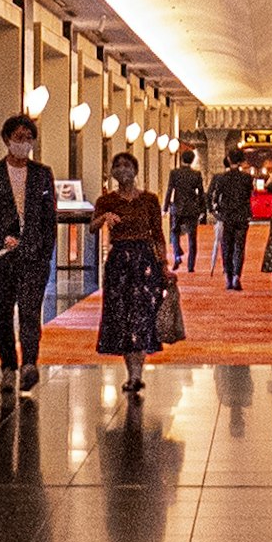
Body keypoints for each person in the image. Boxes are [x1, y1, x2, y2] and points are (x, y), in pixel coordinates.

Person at [0, 114, 61, 396]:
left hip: (34, 256)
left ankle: (29, 365)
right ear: (7, 140)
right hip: (2, 256)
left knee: (30, 311)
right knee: (2, 311)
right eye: (18, 138)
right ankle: (8, 368)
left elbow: (50, 216)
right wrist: (1, 236)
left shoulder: (42, 173)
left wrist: (45, 251)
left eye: (28, 138)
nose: (23, 143)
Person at [90, 149, 170, 397]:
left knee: (142, 314)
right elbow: (92, 227)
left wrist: (164, 264)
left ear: (135, 171)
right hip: (119, 262)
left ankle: (137, 373)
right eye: (118, 166)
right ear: (112, 172)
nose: (123, 170)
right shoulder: (106, 201)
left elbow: (157, 233)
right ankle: (130, 372)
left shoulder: (149, 200)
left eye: (127, 166)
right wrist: (104, 218)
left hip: (144, 260)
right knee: (121, 315)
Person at [211, 151, 257, 290]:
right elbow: (251, 194)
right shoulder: (247, 178)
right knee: (240, 246)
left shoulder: (222, 178)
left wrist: (217, 211)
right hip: (242, 216)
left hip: (227, 216)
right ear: (242, 161)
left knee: (227, 247)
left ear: (228, 159)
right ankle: (237, 275)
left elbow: (216, 196)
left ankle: (228, 277)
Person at [166, 150, 208, 272]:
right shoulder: (196, 174)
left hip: (178, 207)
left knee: (174, 232)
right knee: (192, 237)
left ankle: (177, 254)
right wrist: (202, 209)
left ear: (181, 159)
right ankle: (191, 266)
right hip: (191, 208)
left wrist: (165, 207)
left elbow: (169, 190)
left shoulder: (174, 173)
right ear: (192, 160)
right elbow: (200, 193)